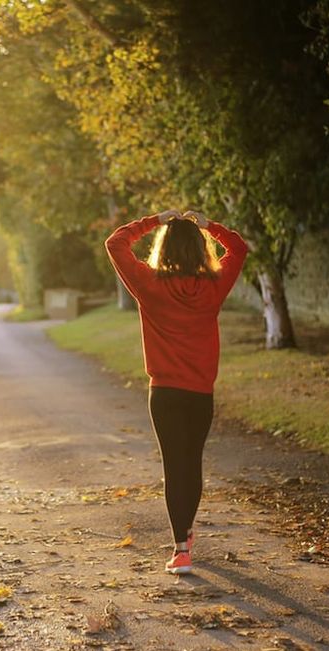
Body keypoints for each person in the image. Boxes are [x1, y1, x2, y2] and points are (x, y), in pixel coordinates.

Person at [105, 209, 248, 575]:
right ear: (200, 249)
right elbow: (239, 248)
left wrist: (154, 220)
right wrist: (209, 226)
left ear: (164, 248)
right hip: (200, 393)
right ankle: (185, 533)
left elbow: (116, 243)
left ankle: (181, 548)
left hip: (165, 393)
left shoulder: (149, 284)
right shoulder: (213, 286)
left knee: (174, 466)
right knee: (191, 462)